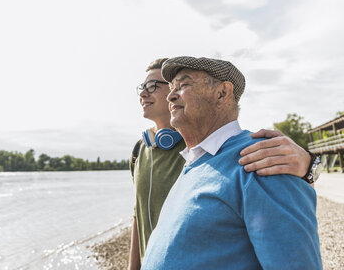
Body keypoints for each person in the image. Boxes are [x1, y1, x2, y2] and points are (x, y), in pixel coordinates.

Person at [128, 58, 321, 269]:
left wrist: (311, 166)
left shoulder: (261, 159)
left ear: (222, 93)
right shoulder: (194, 163)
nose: (171, 96)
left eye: (183, 85)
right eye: (172, 87)